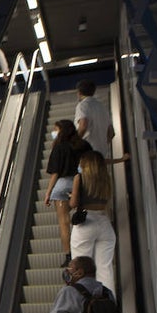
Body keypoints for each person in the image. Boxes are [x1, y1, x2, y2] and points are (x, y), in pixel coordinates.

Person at [43, 119, 92, 267]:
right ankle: (86, 250)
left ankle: (69, 256)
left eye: (56, 129)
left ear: (62, 131)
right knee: (85, 216)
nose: (54, 132)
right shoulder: (84, 145)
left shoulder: (59, 147)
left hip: (62, 185)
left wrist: (48, 193)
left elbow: (55, 174)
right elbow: (93, 162)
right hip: (82, 182)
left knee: (64, 222)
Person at [70, 150, 117, 292]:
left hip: (85, 223)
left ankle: (84, 306)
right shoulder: (106, 179)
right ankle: (108, 305)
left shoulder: (79, 178)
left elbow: (73, 204)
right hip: (104, 223)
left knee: (80, 269)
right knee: (105, 269)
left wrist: (72, 196)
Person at [74, 80, 115, 157]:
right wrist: (103, 144)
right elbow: (111, 132)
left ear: (79, 92)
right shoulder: (102, 107)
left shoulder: (82, 105)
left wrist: (75, 142)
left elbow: (83, 126)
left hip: (87, 151)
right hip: (102, 153)